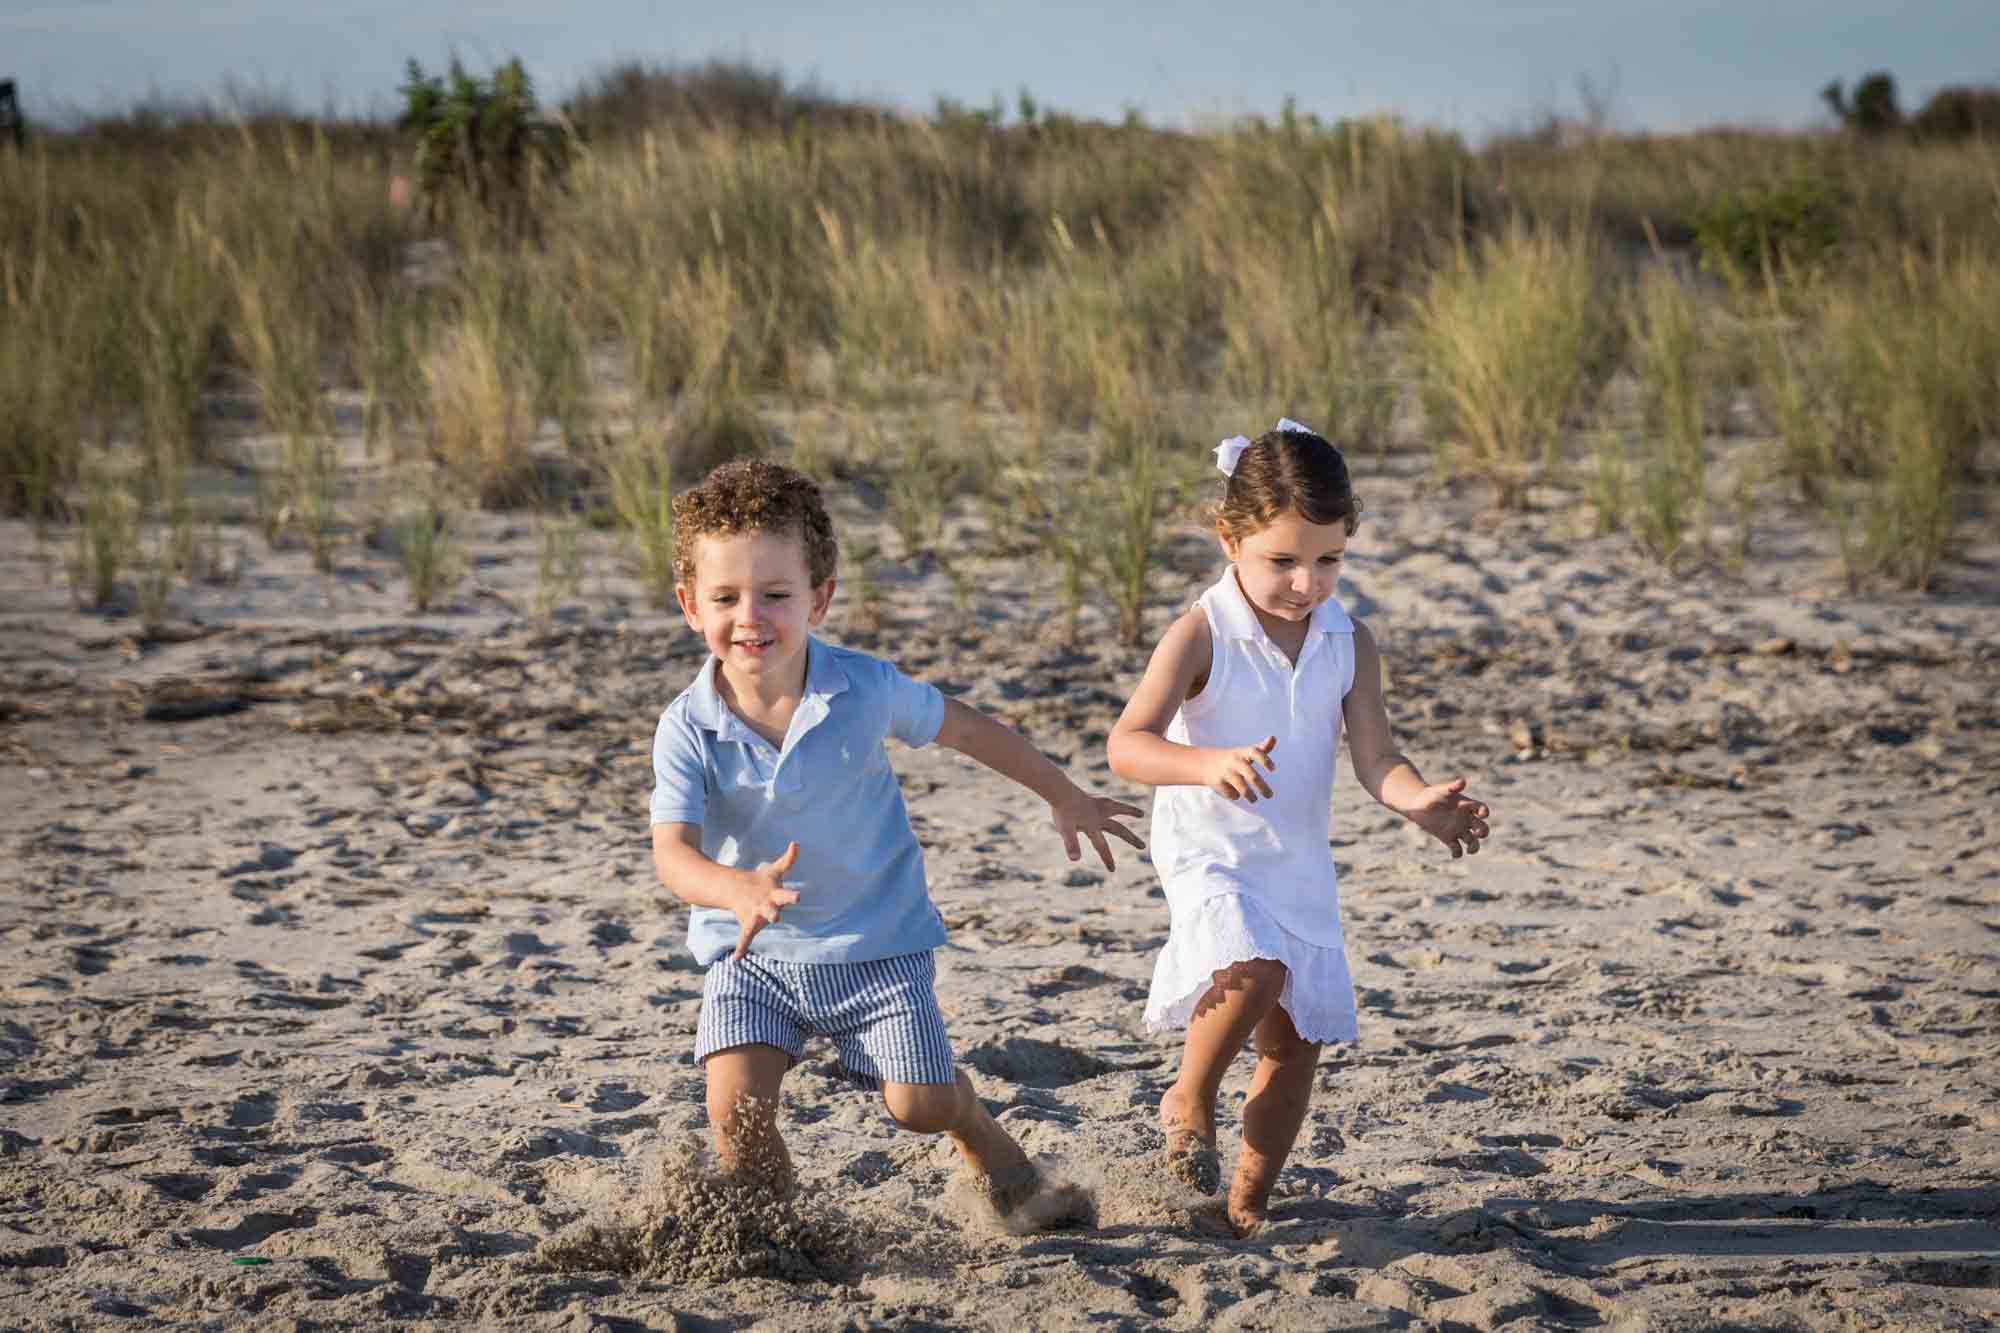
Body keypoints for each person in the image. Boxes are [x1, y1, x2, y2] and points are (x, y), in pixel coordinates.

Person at [649, 457, 1143, 1220]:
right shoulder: (688, 727)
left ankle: (974, 1125)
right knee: (735, 1118)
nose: (750, 616)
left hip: (873, 945)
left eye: (775, 594)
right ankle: (778, 1232)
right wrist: (734, 887)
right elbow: (672, 853)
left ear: (820, 597)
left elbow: (968, 728)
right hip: (751, 954)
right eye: (726, 596)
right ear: (689, 605)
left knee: (919, 1102)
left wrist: (1064, 793)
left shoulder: (864, 688)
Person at [1106, 419, 1493, 1236]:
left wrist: (1418, 801)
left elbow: (1376, 756)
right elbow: (1127, 744)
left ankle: (1244, 1202)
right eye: (1281, 560)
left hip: (1298, 861)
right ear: (1230, 537)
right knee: (1252, 969)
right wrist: (1206, 764)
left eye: (1328, 560)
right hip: (1212, 850)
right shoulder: (1200, 633)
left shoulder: (1349, 640)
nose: (1304, 583)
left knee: (1292, 1048)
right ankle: (1190, 1093)